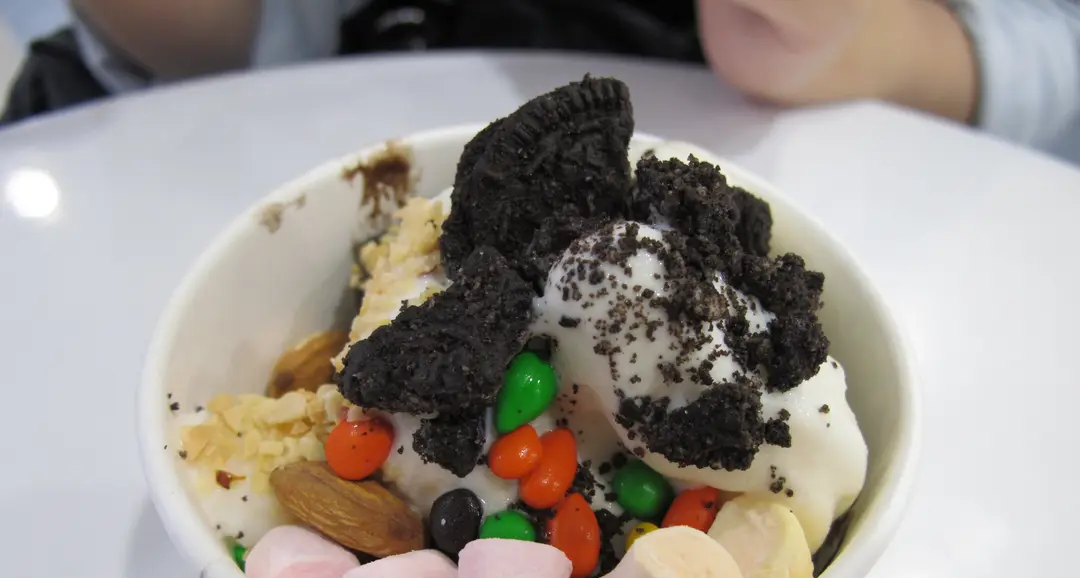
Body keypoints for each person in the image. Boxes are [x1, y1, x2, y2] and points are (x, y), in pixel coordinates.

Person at [3, 0, 1079, 160]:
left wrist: (876, 42)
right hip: (335, 107)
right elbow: (229, 49)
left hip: (798, 135)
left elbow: (1052, 44)